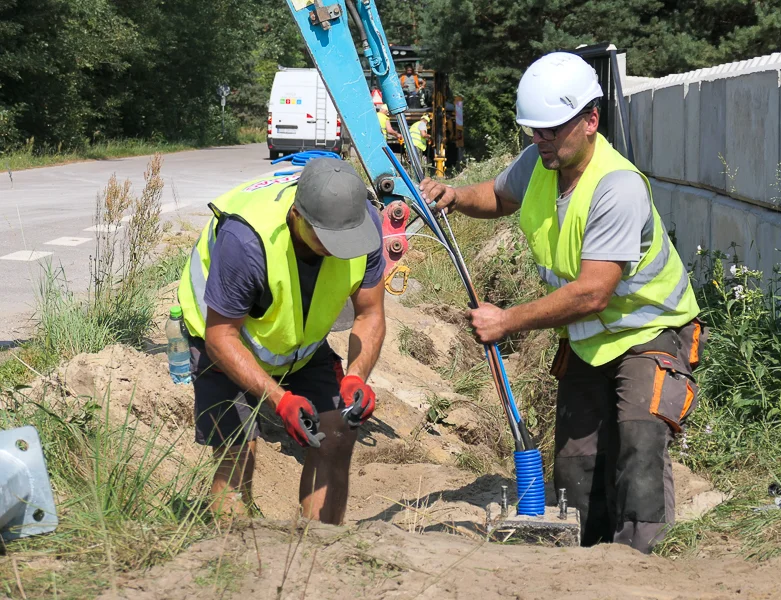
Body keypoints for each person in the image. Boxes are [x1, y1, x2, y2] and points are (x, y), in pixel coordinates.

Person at [418, 52, 707, 554]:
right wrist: (454, 196)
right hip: (590, 341)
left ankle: (641, 564)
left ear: (590, 120)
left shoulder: (617, 188)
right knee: (576, 467)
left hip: (649, 333)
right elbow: (499, 196)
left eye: (551, 130)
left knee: (638, 448)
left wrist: (507, 321)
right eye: (534, 131)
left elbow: (593, 292)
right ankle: (584, 560)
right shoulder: (540, 161)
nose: (540, 140)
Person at [177, 157, 387, 525]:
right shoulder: (246, 242)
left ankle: (318, 554)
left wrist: (356, 377)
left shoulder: (361, 225)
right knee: (237, 450)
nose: (339, 249)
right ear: (297, 215)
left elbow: (370, 314)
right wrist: (281, 400)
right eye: (327, 239)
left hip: (297, 347)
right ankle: (232, 561)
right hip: (226, 341)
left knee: (338, 432)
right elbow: (220, 336)